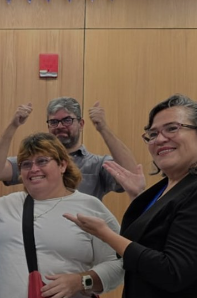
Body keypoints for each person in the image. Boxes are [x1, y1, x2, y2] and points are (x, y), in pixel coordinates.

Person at [65, 94, 197, 298]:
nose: (160, 139)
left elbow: (173, 272)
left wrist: (106, 235)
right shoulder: (163, 188)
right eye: (152, 134)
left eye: (172, 128)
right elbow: (147, 244)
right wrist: (137, 197)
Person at [0, 132, 123, 298]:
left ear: (62, 165)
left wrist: (79, 281)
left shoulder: (90, 207)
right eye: (26, 164)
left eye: (42, 161)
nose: (34, 169)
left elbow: (118, 264)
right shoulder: (1, 206)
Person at [0, 98, 143, 200]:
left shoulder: (97, 164)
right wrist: (13, 125)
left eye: (67, 120)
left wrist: (103, 128)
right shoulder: (35, 163)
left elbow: (131, 176)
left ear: (81, 124)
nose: (60, 126)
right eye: (54, 122)